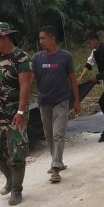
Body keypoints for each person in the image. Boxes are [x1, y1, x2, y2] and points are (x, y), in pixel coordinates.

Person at [0, 22, 33, 206]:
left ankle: (16, 189)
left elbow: (25, 86)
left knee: (17, 152)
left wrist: (20, 111)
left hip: (15, 112)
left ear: (4, 37)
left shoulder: (21, 58)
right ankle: (10, 179)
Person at [32, 25, 80, 184]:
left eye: (43, 38)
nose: (41, 41)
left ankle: (55, 168)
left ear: (53, 39)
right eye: (39, 38)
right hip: (44, 102)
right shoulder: (37, 58)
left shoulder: (65, 57)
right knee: (49, 135)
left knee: (58, 134)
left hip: (61, 100)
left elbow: (72, 79)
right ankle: (58, 160)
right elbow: (31, 79)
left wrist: (77, 100)